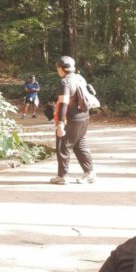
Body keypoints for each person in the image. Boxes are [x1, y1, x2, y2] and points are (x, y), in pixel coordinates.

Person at [51, 55, 95, 186]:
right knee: (80, 145)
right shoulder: (79, 78)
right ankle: (90, 173)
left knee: (63, 146)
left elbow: (64, 103)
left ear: (61, 69)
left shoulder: (64, 82)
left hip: (72, 119)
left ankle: (63, 176)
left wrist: (60, 124)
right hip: (84, 116)